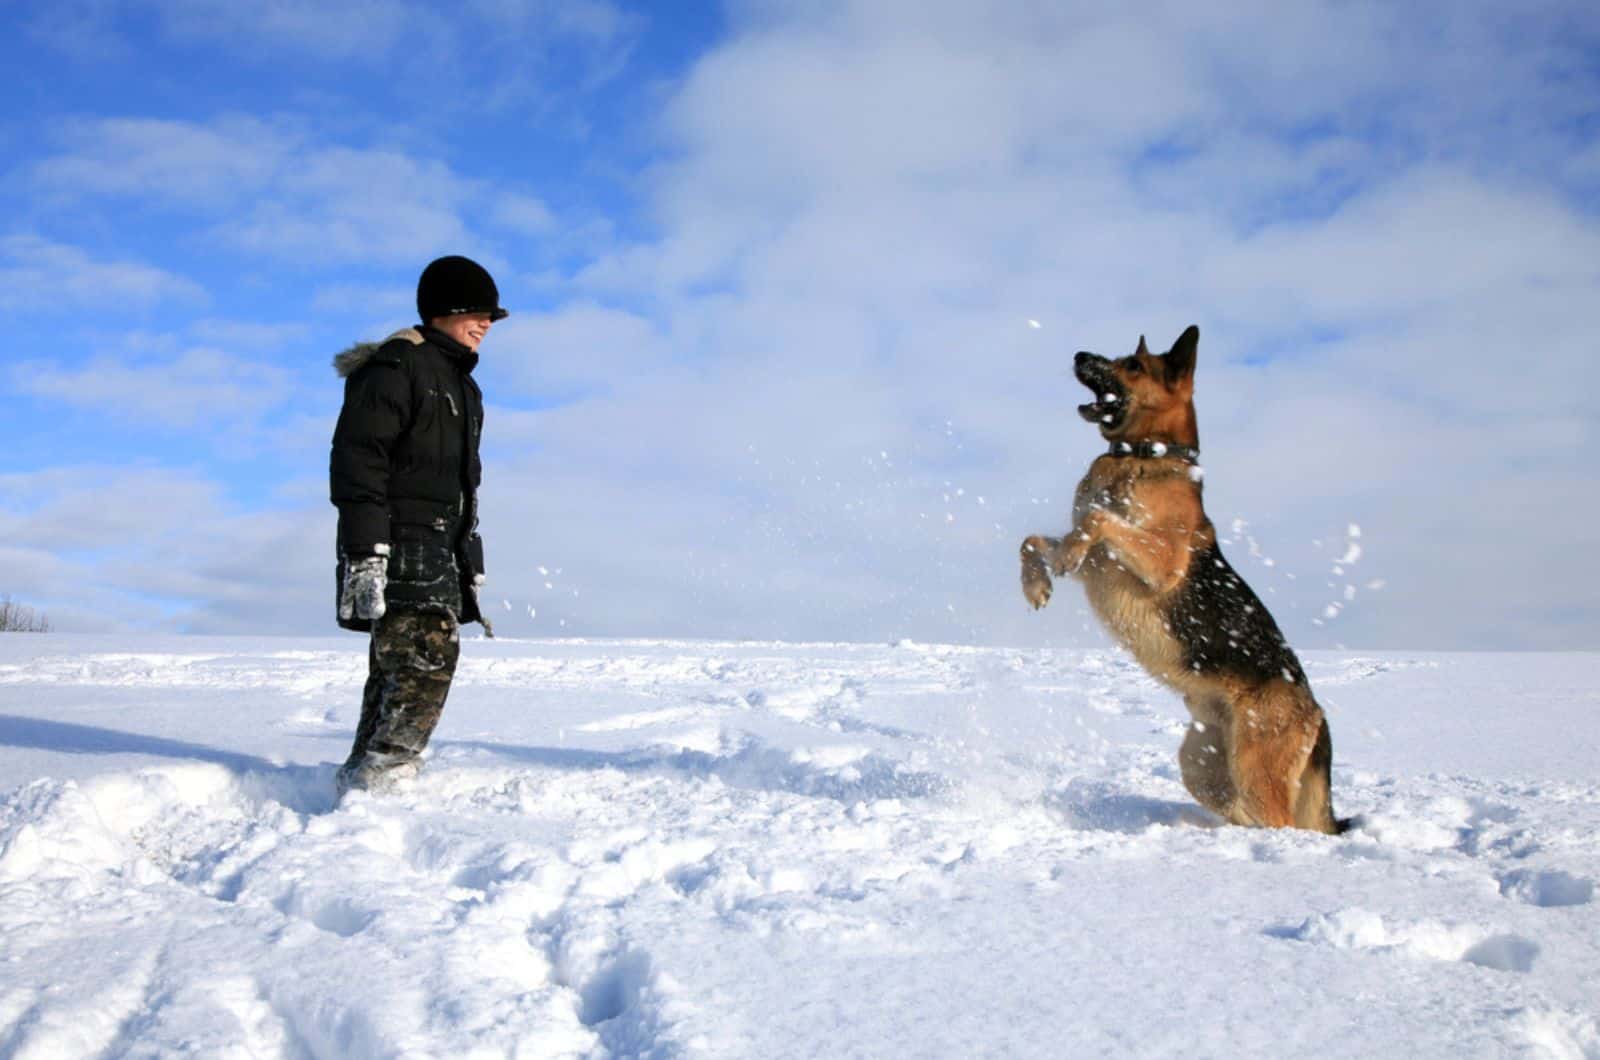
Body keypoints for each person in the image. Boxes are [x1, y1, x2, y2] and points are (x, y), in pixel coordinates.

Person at [329, 255, 506, 794]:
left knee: (397, 669)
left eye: (491, 316)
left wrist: (467, 562)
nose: (486, 324)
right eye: (477, 312)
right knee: (425, 658)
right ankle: (383, 782)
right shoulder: (397, 367)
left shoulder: (461, 385)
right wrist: (366, 553)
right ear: (444, 311)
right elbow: (359, 463)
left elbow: (458, 489)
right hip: (400, 543)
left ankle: (362, 778)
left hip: (437, 549)